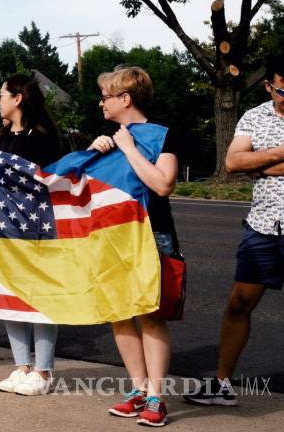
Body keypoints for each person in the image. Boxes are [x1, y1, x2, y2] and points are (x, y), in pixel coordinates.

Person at [184, 53, 284, 408]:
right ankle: (221, 385)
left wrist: (260, 164)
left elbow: (249, 163)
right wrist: (280, 154)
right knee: (238, 304)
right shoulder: (253, 116)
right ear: (268, 86)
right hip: (263, 227)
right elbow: (233, 163)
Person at [89, 67, 179, 427]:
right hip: (112, 235)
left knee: (149, 313)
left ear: (125, 99)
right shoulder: (106, 140)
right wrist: (92, 153)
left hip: (151, 234)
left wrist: (127, 148)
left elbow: (163, 184)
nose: (101, 103)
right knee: (119, 312)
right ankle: (138, 389)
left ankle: (156, 396)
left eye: (106, 97)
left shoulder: (163, 136)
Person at [0, 74, 64, 396]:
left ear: (18, 99)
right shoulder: (0, 137)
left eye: (2, 93)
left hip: (38, 229)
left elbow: (51, 181)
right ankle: (21, 366)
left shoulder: (44, 137)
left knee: (40, 297)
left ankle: (43, 371)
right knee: (10, 295)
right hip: (5, 231)